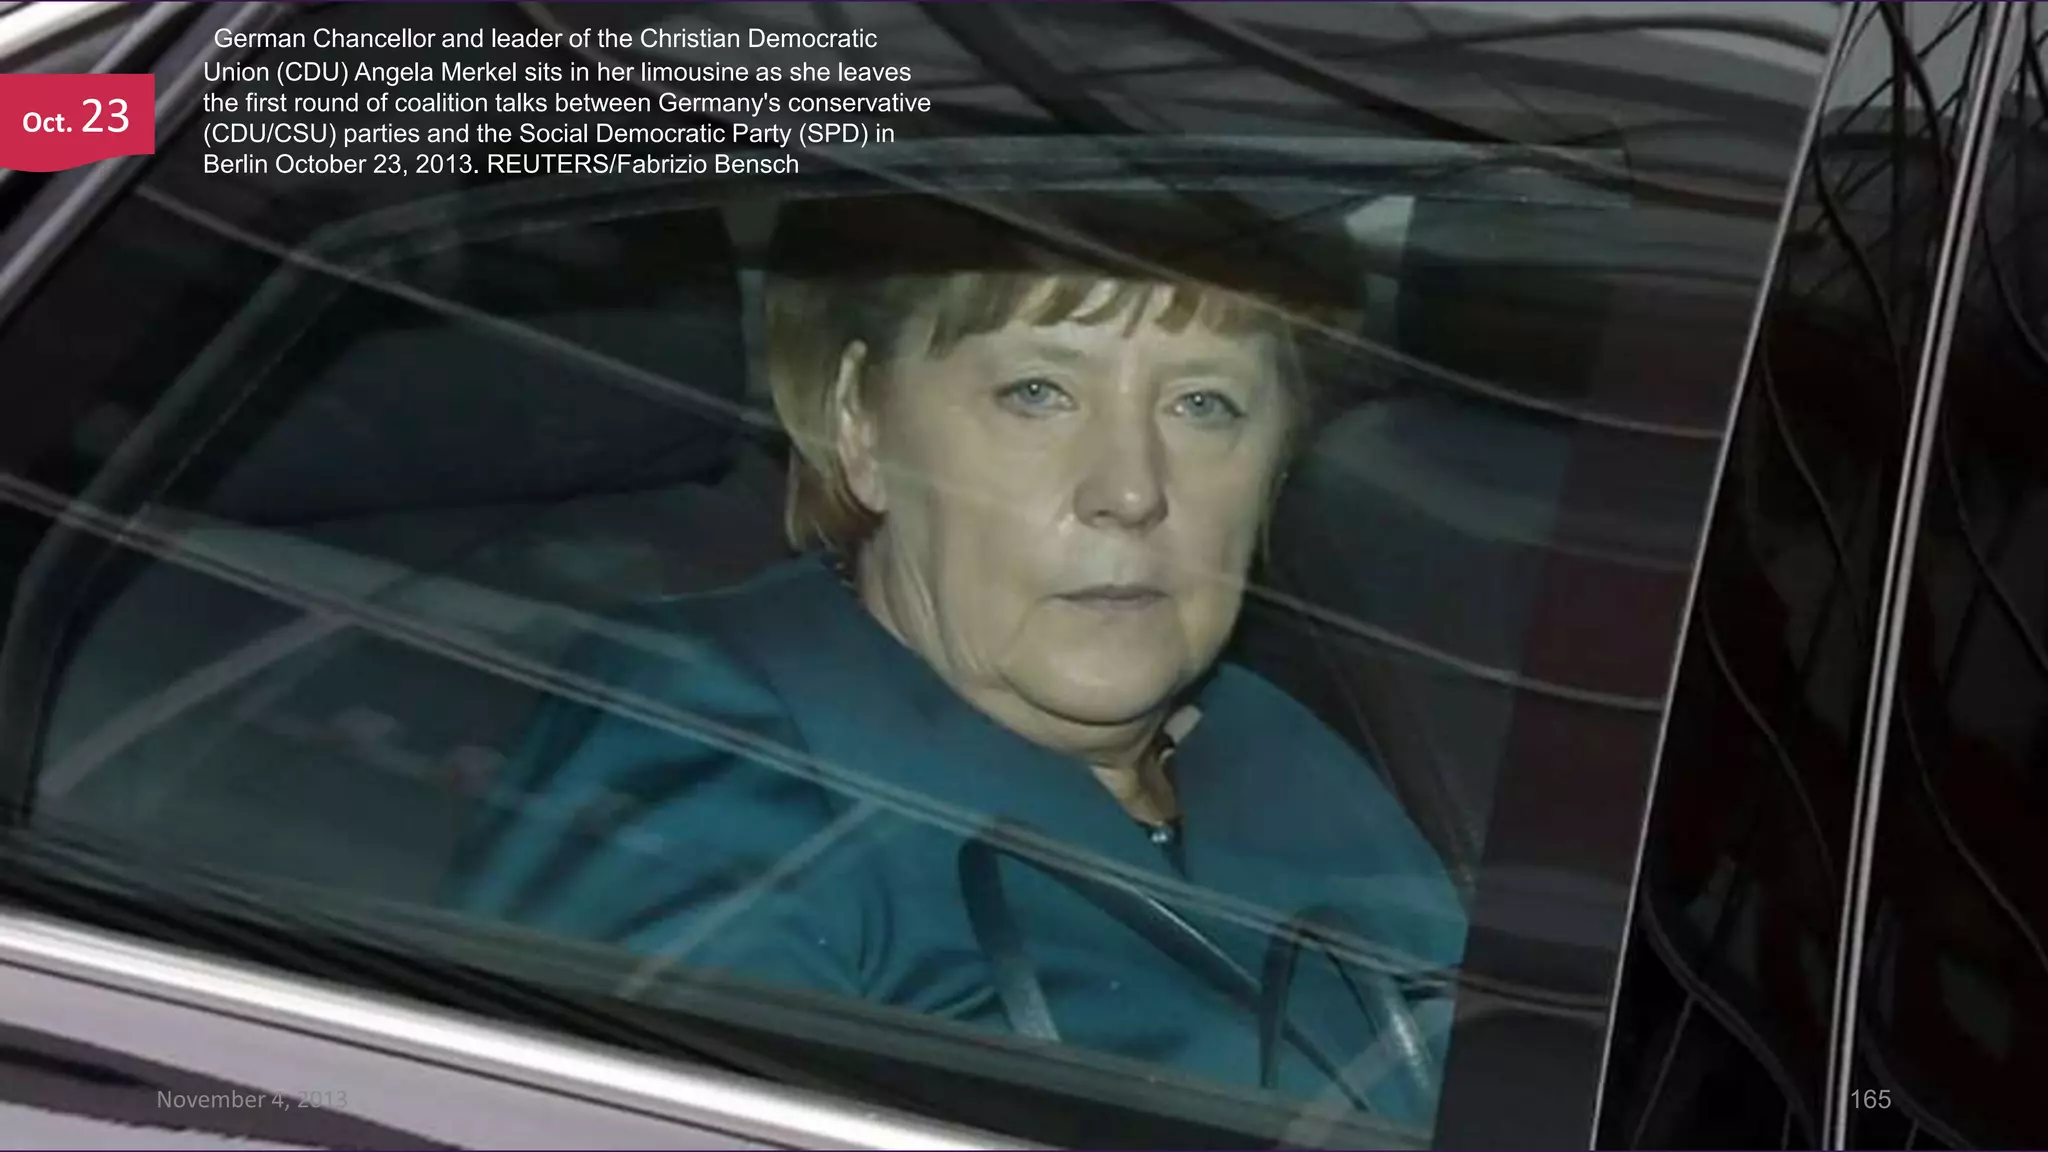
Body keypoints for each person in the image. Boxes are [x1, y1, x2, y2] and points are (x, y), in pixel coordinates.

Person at [453, 195, 1468, 1126]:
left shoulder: (1278, 743)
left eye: (1203, 405)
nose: (1129, 489)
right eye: (1036, 391)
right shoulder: (709, 731)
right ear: (857, 426)